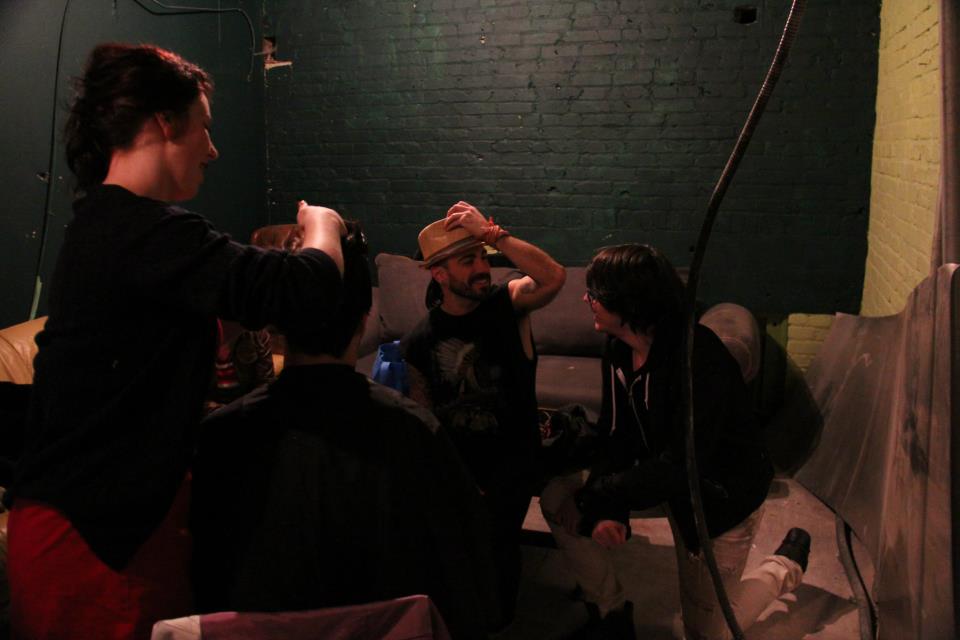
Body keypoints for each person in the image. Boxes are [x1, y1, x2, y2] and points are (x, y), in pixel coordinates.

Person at [7, 43, 346, 640]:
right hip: (94, 544)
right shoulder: (143, 231)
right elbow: (306, 287)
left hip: (101, 527)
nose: (213, 149)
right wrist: (324, 225)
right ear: (165, 122)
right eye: (204, 127)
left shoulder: (110, 225)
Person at [191, 223, 500, 639]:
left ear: (275, 325)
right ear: (364, 317)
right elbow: (464, 577)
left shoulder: (220, 437)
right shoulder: (413, 431)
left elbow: (205, 578)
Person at [539, 244, 810, 640]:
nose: (585, 300)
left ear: (629, 303)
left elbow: (681, 464)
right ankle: (611, 613)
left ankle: (783, 568)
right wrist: (608, 507)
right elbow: (616, 434)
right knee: (556, 496)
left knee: (708, 632)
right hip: (663, 478)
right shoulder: (618, 348)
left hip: (718, 496)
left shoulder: (697, 359)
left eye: (594, 293)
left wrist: (600, 496)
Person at [402, 201, 566, 625]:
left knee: (496, 549)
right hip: (460, 467)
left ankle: (497, 622)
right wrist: (452, 476)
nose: (482, 268)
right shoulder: (420, 340)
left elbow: (553, 277)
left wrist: (494, 235)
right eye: (467, 261)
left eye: (481, 257)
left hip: (512, 462)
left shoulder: (507, 304)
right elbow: (425, 418)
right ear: (439, 274)